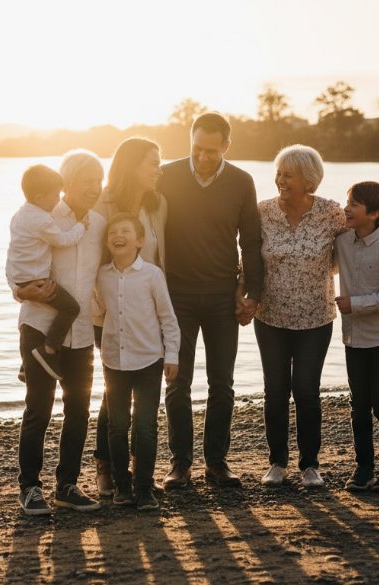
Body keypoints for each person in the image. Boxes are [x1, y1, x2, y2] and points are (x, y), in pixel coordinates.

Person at [248, 145, 379, 489]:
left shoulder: (331, 213)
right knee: (274, 391)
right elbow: (246, 256)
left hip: (316, 318)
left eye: (288, 175)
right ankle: (277, 463)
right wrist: (242, 294)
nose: (280, 180)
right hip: (270, 315)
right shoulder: (262, 212)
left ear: (309, 180)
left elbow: (367, 233)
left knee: (306, 390)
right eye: (278, 173)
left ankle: (310, 466)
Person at [159, 113, 264, 488]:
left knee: (222, 383)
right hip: (177, 296)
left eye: (211, 151)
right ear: (190, 140)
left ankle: (217, 463)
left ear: (226, 146)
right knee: (177, 382)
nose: (203, 157)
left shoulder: (241, 182)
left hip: (222, 296)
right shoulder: (166, 176)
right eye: (197, 149)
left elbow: (250, 241)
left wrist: (252, 293)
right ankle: (180, 465)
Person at [11, 150, 106, 515]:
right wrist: (18, 290)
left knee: (79, 410)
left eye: (99, 181)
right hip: (39, 326)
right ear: (67, 183)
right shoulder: (42, 215)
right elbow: (17, 262)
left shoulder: (98, 223)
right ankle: (30, 487)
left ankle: (67, 485)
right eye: (87, 180)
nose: (94, 187)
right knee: (39, 409)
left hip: (81, 332)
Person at [90, 137, 168, 496]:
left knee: (140, 401)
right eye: (152, 162)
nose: (158, 168)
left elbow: (159, 257)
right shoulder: (103, 203)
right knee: (113, 392)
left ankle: (140, 473)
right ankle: (106, 465)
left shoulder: (158, 204)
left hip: (145, 311)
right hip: (107, 309)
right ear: (132, 164)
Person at [96, 213, 180, 510]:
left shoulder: (152, 274)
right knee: (117, 426)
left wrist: (172, 355)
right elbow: (97, 309)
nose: (118, 235)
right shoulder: (101, 275)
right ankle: (122, 485)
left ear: (140, 241)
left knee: (145, 425)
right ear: (108, 241)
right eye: (112, 232)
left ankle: (144, 487)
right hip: (113, 361)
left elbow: (167, 319)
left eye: (125, 231)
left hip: (148, 360)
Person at [335, 181, 379, 492]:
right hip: (354, 338)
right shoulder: (341, 240)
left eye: (354, 204)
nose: (346, 208)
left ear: (375, 213)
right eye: (347, 201)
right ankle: (363, 467)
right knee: (358, 404)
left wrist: (355, 305)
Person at [6, 164, 89, 380]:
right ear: (40, 196)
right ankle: (49, 349)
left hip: (22, 281)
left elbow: (12, 253)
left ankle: (27, 365)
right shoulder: (42, 220)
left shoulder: (19, 215)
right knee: (71, 308)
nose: (57, 200)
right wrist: (81, 226)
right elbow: (63, 240)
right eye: (55, 196)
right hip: (40, 282)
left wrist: (18, 288)